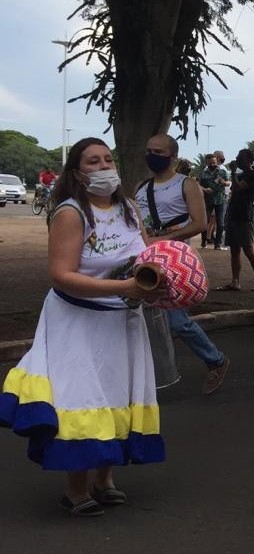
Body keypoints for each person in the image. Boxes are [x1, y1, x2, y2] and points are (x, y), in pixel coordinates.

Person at [0, 138, 164, 518]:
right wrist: (124, 287)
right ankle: (75, 490)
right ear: (77, 172)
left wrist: (163, 280)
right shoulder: (71, 213)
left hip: (122, 319)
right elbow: (61, 276)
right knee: (82, 399)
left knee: (118, 395)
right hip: (77, 321)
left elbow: (147, 253)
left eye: (109, 158)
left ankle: (105, 479)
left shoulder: (128, 208)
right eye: (93, 161)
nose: (105, 166)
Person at [135, 134, 232, 395]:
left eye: (158, 151)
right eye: (149, 150)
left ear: (173, 156)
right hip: (145, 256)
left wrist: (162, 238)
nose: (152, 154)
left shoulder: (186, 184)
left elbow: (199, 224)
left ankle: (216, 360)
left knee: (176, 319)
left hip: (173, 259)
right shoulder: (142, 187)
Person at [221, 149, 254, 291]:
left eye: (240, 157)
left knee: (248, 250)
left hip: (244, 216)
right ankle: (235, 281)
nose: (237, 159)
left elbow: (240, 187)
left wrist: (233, 172)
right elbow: (234, 188)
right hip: (234, 214)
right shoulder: (240, 175)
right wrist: (235, 174)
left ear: (249, 160)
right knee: (234, 251)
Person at [198, 153, 230, 250]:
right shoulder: (203, 174)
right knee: (205, 222)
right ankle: (203, 242)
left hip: (220, 200)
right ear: (206, 163)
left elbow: (228, 182)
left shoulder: (222, 172)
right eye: (210, 163)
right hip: (207, 201)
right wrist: (204, 189)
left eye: (214, 162)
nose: (213, 164)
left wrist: (224, 182)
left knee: (220, 223)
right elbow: (198, 186)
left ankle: (218, 244)